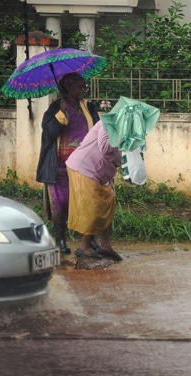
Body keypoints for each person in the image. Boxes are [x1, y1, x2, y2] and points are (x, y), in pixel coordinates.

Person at [36, 72, 100, 255]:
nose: (84, 90)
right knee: (61, 203)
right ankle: (61, 241)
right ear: (68, 88)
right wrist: (61, 114)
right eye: (80, 86)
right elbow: (48, 134)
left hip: (84, 166)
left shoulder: (89, 107)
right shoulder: (56, 108)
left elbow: (97, 130)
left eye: (84, 86)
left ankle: (89, 239)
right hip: (60, 167)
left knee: (86, 202)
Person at [66, 120, 124, 260]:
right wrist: (122, 137)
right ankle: (83, 246)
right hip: (84, 168)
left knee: (109, 205)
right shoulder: (108, 123)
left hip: (102, 173)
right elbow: (105, 147)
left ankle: (105, 245)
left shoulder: (128, 133)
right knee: (92, 207)